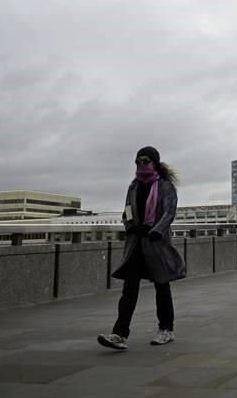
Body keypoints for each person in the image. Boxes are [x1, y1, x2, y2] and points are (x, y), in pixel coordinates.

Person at [99, 146, 186, 350]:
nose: (141, 165)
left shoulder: (165, 186)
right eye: (137, 161)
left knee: (161, 286)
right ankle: (119, 334)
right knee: (129, 289)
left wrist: (156, 230)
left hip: (156, 245)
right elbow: (127, 210)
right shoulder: (134, 186)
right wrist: (131, 226)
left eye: (145, 160)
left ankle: (166, 329)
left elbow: (169, 212)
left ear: (154, 162)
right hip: (136, 244)